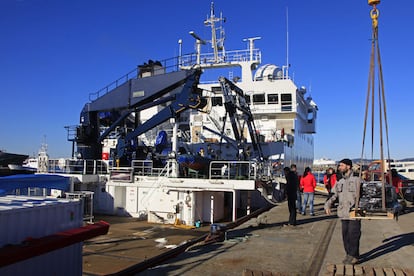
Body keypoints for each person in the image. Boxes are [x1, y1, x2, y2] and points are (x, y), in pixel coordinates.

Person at [325, 158, 361, 265]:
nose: (339, 167)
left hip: (354, 212)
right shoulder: (339, 182)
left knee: (353, 234)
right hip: (343, 212)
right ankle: (349, 254)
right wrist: (327, 205)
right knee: (345, 235)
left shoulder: (356, 180)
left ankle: (354, 255)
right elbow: (333, 195)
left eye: (341, 165)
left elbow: (364, 194)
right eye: (339, 165)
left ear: (348, 166)